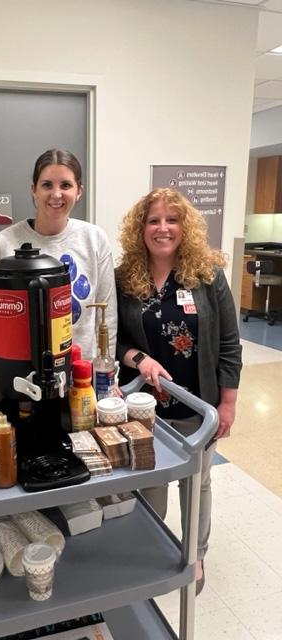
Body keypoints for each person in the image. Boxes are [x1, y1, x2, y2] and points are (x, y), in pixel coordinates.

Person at [115, 187, 242, 594]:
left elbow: (229, 344)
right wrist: (140, 359)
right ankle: (152, 552)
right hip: (145, 408)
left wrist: (227, 403)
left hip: (197, 406)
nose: (163, 228)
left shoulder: (208, 277)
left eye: (172, 220)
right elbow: (114, 341)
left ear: (185, 227)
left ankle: (195, 554)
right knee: (150, 482)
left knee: (197, 482)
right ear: (141, 228)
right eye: (153, 220)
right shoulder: (124, 279)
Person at [0, 148, 117, 375]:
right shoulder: (3, 243)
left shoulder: (94, 240)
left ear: (79, 191)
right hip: (17, 372)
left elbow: (106, 316)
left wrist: (107, 374)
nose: (56, 194)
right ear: (33, 190)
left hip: (79, 374)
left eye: (66, 185)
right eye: (47, 185)